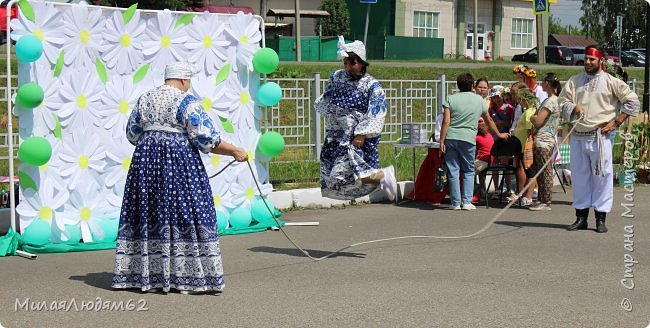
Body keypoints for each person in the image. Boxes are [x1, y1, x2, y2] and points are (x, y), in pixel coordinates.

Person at [112, 62, 248, 294]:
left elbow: (132, 133)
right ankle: (186, 276)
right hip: (179, 167)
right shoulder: (188, 103)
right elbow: (206, 138)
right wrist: (235, 150)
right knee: (187, 211)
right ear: (184, 81)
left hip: (145, 167)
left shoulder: (145, 99)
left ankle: (146, 275)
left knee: (149, 211)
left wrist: (153, 143)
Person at [558, 45, 640, 233]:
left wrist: (617, 122)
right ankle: (581, 218)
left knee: (602, 176)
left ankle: (600, 218)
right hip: (578, 136)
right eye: (586, 59)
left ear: (600, 61)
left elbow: (632, 100)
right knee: (579, 177)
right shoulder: (575, 80)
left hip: (600, 136)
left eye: (592, 59)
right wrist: (573, 108)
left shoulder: (611, 81)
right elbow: (562, 101)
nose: (587, 62)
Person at [314, 36, 397, 201]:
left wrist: (361, 134)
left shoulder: (372, 85)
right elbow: (328, 99)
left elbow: (376, 112)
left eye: (352, 63)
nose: (348, 67)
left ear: (362, 63)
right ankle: (381, 177)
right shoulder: (336, 77)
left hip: (355, 136)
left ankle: (381, 176)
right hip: (336, 133)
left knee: (344, 173)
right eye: (345, 63)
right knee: (331, 178)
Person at [440, 73, 509, 210]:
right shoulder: (479, 100)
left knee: (453, 170)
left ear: (458, 85)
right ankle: (466, 201)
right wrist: (499, 134)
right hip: (468, 139)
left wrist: (442, 140)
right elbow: (489, 120)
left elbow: (446, 121)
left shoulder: (450, 99)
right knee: (468, 170)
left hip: (451, 137)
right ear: (472, 86)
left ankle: (455, 203)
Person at [528, 73, 562, 211]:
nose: (541, 84)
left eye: (542, 81)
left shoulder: (551, 101)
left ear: (548, 83)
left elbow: (538, 121)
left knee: (545, 171)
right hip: (545, 139)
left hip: (544, 139)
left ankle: (546, 201)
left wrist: (531, 117)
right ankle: (542, 198)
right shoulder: (553, 100)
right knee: (541, 171)